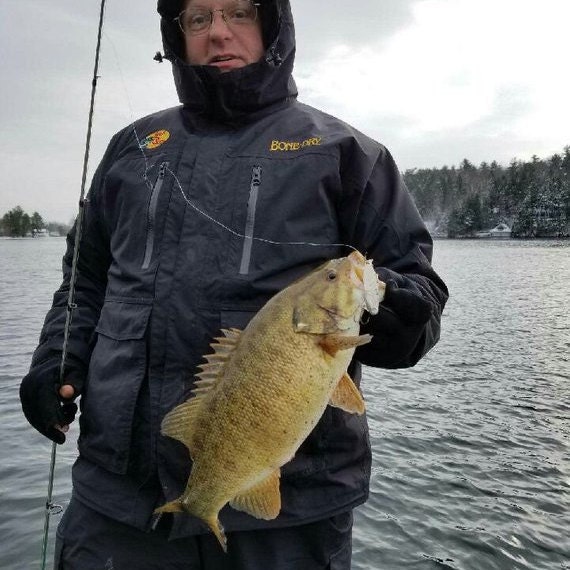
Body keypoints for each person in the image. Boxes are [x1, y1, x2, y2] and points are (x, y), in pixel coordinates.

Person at [20, 0, 449, 568]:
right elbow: (84, 282)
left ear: (272, 26)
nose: (218, 33)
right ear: (178, 34)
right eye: (199, 18)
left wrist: (395, 309)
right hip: (119, 499)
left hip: (293, 512)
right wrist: (58, 357)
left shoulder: (349, 155)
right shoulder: (131, 149)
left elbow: (420, 296)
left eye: (239, 13)